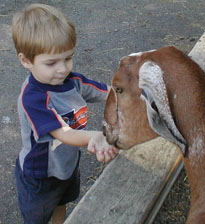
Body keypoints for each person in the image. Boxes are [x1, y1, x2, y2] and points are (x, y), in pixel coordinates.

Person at [12, 3, 118, 224]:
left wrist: (128, 96)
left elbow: (107, 92)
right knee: (39, 217)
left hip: (67, 165)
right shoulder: (33, 98)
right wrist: (95, 136)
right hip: (41, 175)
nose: (63, 69)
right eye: (51, 63)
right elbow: (64, 134)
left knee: (62, 203)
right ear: (25, 60)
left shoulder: (72, 81)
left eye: (68, 58)